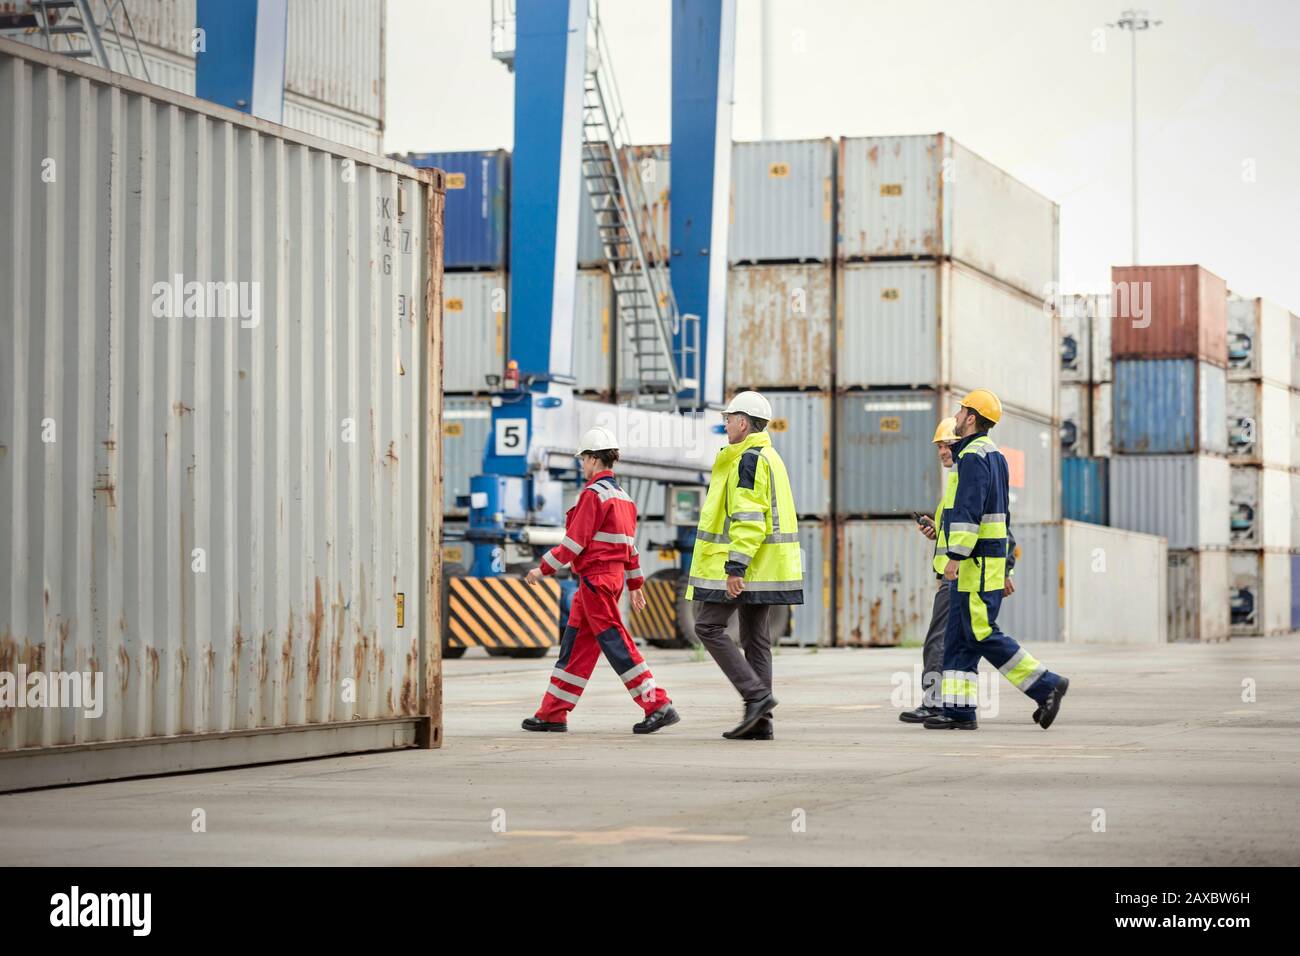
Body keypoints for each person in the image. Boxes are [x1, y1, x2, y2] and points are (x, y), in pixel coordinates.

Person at [925, 389, 1069, 731]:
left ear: (972, 418)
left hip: (975, 565)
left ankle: (1046, 684)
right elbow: (1000, 516)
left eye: (961, 412)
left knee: (980, 632)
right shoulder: (994, 455)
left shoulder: (973, 456)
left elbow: (969, 514)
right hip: (985, 562)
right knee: (960, 637)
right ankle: (959, 711)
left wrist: (955, 556)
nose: (956, 417)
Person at [521, 426, 680, 735]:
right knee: (576, 646)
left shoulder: (593, 495)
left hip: (595, 580)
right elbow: (630, 549)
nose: (582, 466)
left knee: (616, 642)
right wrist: (634, 585)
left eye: (583, 460)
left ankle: (657, 703)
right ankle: (553, 712)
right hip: (608, 580)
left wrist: (542, 569)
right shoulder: (625, 498)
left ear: (593, 460)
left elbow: (573, 543)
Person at [688, 391, 804, 740]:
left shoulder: (748, 460)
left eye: (728, 418)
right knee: (756, 640)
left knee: (708, 627)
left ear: (743, 422)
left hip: (748, 566)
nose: (724, 424)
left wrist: (735, 567)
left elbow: (750, 519)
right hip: (768, 567)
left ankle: (756, 697)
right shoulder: (770, 456)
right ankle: (761, 723)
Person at [902, 417, 1020, 724]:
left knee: (944, 642)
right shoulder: (954, 483)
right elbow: (957, 531)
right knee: (957, 644)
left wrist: (1005, 571)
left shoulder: (970, 473)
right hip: (951, 576)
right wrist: (935, 529)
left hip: (961, 576)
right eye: (939, 446)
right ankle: (952, 707)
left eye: (947, 445)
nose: (942, 451)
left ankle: (936, 704)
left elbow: (998, 528)